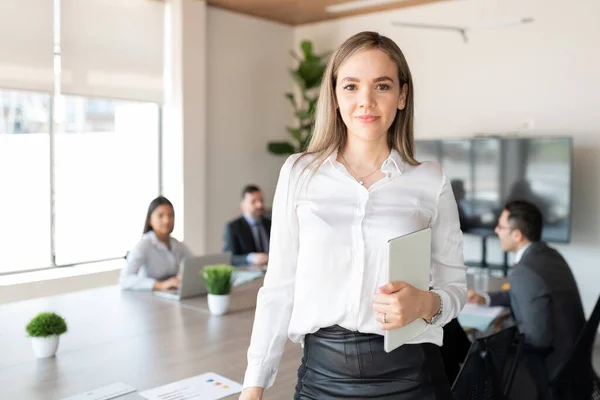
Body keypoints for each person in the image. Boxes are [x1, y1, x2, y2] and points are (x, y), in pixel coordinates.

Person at [240, 31, 467, 400]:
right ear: (334, 95)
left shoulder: (431, 180)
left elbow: (455, 286)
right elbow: (279, 288)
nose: (366, 101)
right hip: (321, 379)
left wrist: (425, 303)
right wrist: (253, 387)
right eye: (351, 86)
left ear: (402, 96)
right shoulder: (299, 173)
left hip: (412, 378)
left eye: (381, 86)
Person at [468, 200, 585, 398]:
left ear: (517, 235)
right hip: (574, 360)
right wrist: (485, 298)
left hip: (549, 368)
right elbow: (526, 293)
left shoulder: (525, 271)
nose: (496, 230)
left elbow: (536, 340)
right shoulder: (549, 255)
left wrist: (502, 338)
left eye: (501, 226)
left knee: (479, 365)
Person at [120, 196, 193, 291]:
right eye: (160, 215)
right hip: (148, 299)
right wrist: (160, 285)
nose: (167, 220)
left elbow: (195, 265)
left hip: (169, 295)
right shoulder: (144, 245)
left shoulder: (176, 244)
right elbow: (125, 280)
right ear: (150, 220)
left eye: (170, 215)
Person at [223, 185, 271, 267]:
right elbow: (229, 258)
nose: (259, 205)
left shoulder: (270, 224)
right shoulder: (233, 227)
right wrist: (250, 258)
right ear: (243, 205)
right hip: (249, 274)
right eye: (253, 201)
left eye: (261, 200)